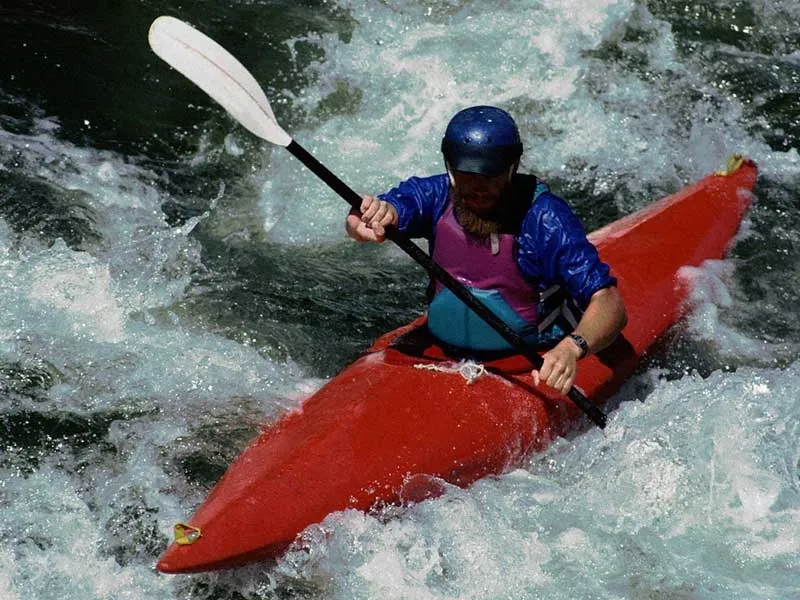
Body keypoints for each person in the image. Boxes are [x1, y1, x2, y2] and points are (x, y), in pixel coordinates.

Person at [345, 105, 627, 395]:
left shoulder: (545, 218)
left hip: (529, 355)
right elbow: (363, 215)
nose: (478, 187)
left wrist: (572, 348)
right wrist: (367, 220)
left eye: (489, 175)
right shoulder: (436, 196)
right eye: (468, 175)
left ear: (511, 168)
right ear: (451, 168)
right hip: (442, 350)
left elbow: (610, 304)